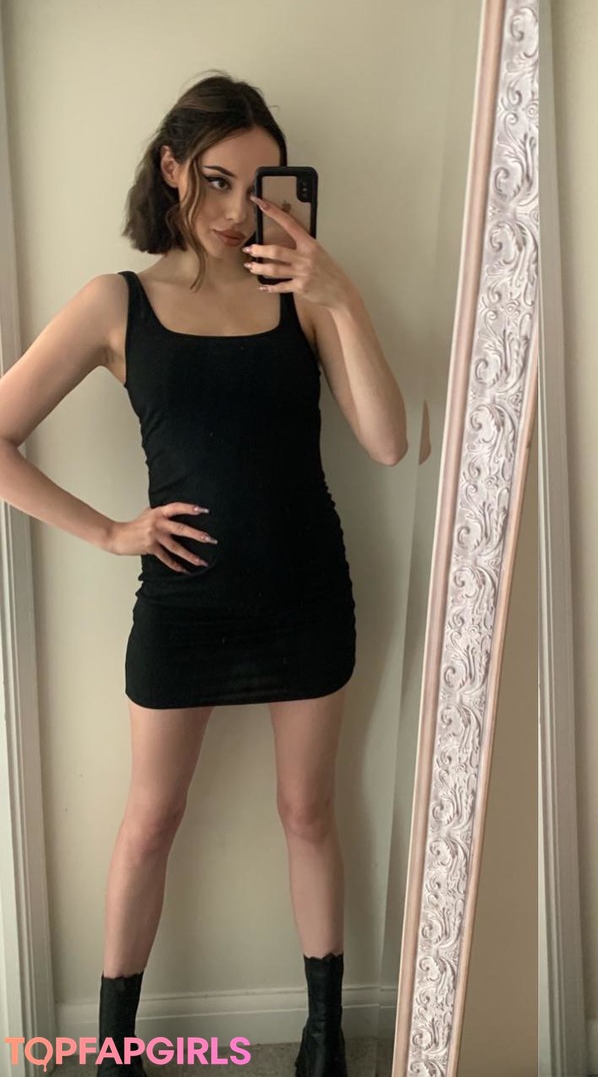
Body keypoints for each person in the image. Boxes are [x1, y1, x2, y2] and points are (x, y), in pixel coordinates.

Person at [0, 73, 407, 1077]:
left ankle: (323, 1041)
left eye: (260, 188)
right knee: (150, 823)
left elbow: (391, 443)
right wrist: (108, 533)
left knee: (308, 813)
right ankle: (115, 1051)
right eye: (218, 180)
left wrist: (340, 294)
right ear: (174, 168)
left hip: (306, 592)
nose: (235, 211)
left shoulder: (299, 296)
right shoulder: (117, 302)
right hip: (181, 605)